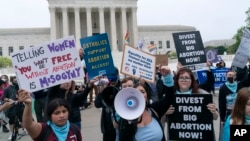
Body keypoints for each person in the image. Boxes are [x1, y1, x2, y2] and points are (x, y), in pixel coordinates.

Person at [165, 67, 218, 140]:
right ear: (177, 80)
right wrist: (165, 112)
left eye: (187, 78)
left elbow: (215, 117)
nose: (184, 80)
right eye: (181, 78)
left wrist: (214, 111)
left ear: (192, 80)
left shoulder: (203, 94)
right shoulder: (170, 97)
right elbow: (162, 120)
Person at [18, 89, 82, 141]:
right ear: (50, 115)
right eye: (57, 113)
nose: (62, 115)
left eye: (64, 111)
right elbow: (29, 125)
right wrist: (28, 104)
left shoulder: (74, 129)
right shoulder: (43, 130)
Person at [94, 71, 121, 141]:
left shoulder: (122, 87)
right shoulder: (105, 88)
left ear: (117, 76)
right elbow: (97, 104)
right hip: (107, 127)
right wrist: (101, 92)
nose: (111, 79)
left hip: (119, 126)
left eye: (113, 76)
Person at [2, 76, 27, 140]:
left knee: (22, 118)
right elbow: (3, 98)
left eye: (16, 81)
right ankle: (12, 133)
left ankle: (24, 130)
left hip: (20, 105)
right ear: (11, 81)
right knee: (12, 121)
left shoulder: (20, 87)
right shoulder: (7, 89)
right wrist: (10, 100)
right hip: (11, 107)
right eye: (14, 81)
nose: (16, 82)